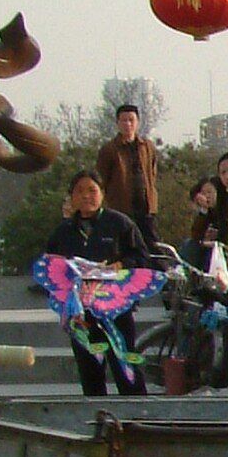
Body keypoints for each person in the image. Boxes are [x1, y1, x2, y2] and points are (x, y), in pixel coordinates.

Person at [42, 169, 150, 396]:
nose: (86, 196)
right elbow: (50, 266)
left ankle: (137, 418)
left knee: (125, 367)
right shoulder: (64, 232)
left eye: (92, 190)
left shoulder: (120, 224)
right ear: (71, 197)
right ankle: (98, 418)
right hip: (80, 314)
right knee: (90, 372)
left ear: (102, 193)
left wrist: (118, 266)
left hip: (115, 309)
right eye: (79, 191)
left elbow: (141, 258)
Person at [95, 102, 159, 248]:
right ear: (117, 123)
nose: (128, 124)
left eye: (131, 120)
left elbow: (152, 174)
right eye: (124, 120)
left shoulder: (147, 146)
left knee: (152, 245)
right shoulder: (109, 149)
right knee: (124, 246)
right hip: (122, 208)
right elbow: (101, 178)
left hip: (146, 207)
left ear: (137, 123)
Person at [182, 176, 222, 271]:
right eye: (203, 193)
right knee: (190, 244)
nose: (206, 196)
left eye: (209, 192)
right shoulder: (207, 213)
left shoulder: (224, 210)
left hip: (219, 247)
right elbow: (196, 234)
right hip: (206, 245)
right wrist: (203, 210)